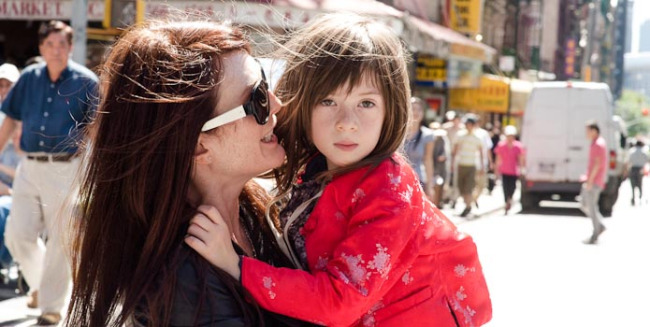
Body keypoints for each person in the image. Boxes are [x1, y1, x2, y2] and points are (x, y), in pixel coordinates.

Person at [186, 13, 492, 327]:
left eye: (367, 103)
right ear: (304, 103)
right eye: (328, 101)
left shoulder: (388, 189)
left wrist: (237, 266)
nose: (347, 121)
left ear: (392, 109)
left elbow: (340, 301)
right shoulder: (318, 172)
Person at [64, 19, 313, 327]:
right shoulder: (180, 280)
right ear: (197, 145)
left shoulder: (256, 209)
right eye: (257, 98)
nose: (277, 104)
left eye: (266, 83)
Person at [0, 20, 98, 325]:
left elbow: (95, 128)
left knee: (59, 239)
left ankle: (52, 307)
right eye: (50, 44)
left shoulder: (86, 81)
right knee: (17, 235)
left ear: (70, 47)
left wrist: (98, 169)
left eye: (62, 44)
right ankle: (44, 287)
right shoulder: (29, 78)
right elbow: (11, 120)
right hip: (30, 165)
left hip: (66, 168)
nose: (56, 50)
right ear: (41, 47)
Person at [452, 114, 485, 217]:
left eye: (470, 124)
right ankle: (468, 203)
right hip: (461, 164)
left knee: (469, 187)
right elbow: (455, 150)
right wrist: (453, 163)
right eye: (467, 124)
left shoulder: (478, 137)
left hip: (471, 165)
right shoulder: (460, 135)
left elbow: (481, 153)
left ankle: (468, 206)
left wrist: (482, 167)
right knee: (461, 187)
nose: (468, 126)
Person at [581, 120, 607, 244]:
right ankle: (599, 225)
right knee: (586, 205)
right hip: (592, 179)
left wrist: (590, 181)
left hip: (595, 181)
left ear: (594, 130)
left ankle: (595, 233)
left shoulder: (598, 144)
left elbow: (597, 164)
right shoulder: (595, 143)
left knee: (591, 207)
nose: (586, 133)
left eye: (588, 130)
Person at [404, 97, 435, 200]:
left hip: (418, 179)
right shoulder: (398, 132)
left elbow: (428, 160)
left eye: (419, 109)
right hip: (398, 179)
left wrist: (430, 185)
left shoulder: (428, 135)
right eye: (413, 108)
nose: (416, 112)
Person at [494, 125, 525, 214]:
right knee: (505, 188)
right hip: (504, 170)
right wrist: (496, 170)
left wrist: (522, 169)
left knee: (513, 187)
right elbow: (498, 158)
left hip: (514, 171)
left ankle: (510, 199)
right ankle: (506, 202)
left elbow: (520, 158)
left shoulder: (518, 146)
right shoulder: (501, 145)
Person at [429, 121, 451, 208]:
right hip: (430, 166)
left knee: (440, 185)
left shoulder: (442, 139)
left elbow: (445, 153)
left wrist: (442, 156)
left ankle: (438, 203)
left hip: (440, 167)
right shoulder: (427, 138)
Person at [628, 140, 649, 205]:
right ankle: (640, 197)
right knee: (640, 184)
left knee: (633, 185)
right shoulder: (644, 151)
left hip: (633, 169)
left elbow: (628, 160)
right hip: (640, 169)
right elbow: (647, 160)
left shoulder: (631, 151)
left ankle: (633, 198)